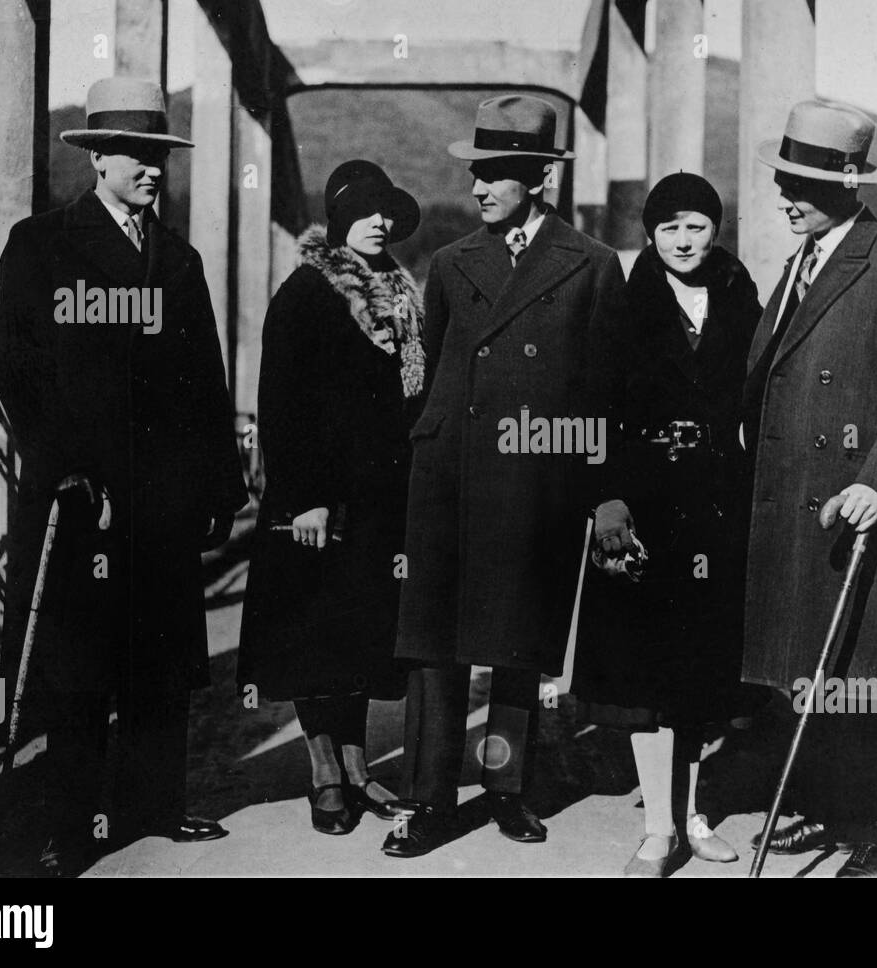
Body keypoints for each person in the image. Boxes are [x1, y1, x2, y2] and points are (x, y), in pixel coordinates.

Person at [0, 78, 246, 875]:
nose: (151, 171)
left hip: (163, 498)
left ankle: (154, 808)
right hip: (81, 499)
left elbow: (205, 381)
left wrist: (219, 487)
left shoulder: (178, 258)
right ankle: (68, 826)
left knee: (159, 659)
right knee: (77, 667)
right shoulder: (42, 245)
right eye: (136, 156)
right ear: (97, 158)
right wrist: (65, 471)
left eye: (159, 157)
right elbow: (18, 372)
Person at [383, 95, 627, 859]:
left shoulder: (591, 265)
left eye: (496, 175)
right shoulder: (452, 263)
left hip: (534, 481)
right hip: (451, 477)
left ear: (538, 180)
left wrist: (598, 490)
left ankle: (505, 789)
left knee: (517, 649)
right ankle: (426, 801)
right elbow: (428, 375)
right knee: (436, 648)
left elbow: (605, 391)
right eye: (478, 174)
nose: (480, 188)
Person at [742, 99, 877, 877]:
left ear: (850, 185)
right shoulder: (798, 262)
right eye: (783, 178)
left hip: (852, 507)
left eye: (804, 183)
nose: (785, 194)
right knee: (809, 672)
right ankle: (828, 810)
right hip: (793, 507)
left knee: (861, 676)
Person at [572, 173, 760, 877]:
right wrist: (606, 500)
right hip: (642, 506)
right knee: (645, 674)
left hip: (716, 507)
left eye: (698, 225)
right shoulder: (621, 299)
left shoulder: (739, 294)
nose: (685, 239)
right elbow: (590, 401)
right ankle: (658, 829)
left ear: (716, 230)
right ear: (651, 234)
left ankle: (695, 815)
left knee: (704, 669)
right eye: (671, 226)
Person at [237, 160, 424, 835]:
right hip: (319, 505)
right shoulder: (307, 294)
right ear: (339, 219)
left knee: (359, 639)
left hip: (377, 505)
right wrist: (303, 500)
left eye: (388, 213)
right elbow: (282, 404)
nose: (379, 223)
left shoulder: (400, 293)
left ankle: (360, 767)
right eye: (365, 211)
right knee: (315, 643)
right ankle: (325, 775)